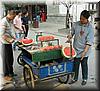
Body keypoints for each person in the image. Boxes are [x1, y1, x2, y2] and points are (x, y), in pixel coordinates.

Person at [67, 10, 94, 85]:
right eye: (80, 18)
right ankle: (75, 78)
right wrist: (69, 37)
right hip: (75, 49)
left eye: (83, 19)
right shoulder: (76, 24)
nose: (81, 20)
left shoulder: (90, 28)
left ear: (87, 19)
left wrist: (84, 52)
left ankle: (84, 78)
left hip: (85, 50)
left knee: (84, 64)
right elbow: (72, 32)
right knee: (75, 64)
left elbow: (89, 42)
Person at [0, 9, 16, 81]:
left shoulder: (9, 21)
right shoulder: (3, 21)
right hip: (4, 44)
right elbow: (2, 34)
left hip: (8, 44)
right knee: (5, 60)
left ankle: (11, 72)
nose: (14, 18)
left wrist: (14, 37)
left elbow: (10, 31)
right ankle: (5, 75)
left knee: (10, 59)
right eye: (14, 16)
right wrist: (10, 40)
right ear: (10, 15)